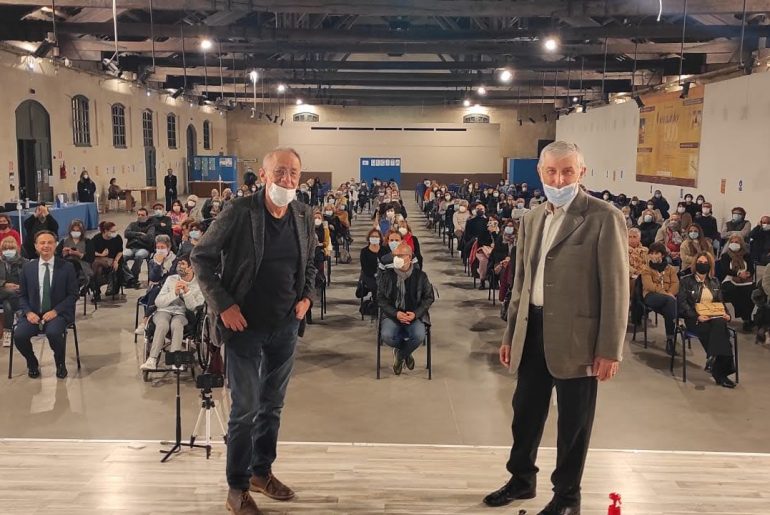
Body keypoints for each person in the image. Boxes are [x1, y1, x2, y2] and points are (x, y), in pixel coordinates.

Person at [487, 141, 628, 515]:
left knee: (573, 423)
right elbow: (521, 282)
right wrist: (511, 334)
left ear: (582, 172)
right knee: (525, 413)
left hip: (578, 339)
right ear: (540, 172)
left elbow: (616, 288)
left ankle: (567, 498)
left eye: (567, 171)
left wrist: (610, 349)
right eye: (551, 171)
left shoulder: (603, 217)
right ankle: (521, 479)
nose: (559, 180)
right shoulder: (532, 218)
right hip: (532, 330)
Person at [191, 147, 317, 515]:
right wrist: (224, 305)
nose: (287, 180)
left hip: (285, 326)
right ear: (263, 175)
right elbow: (201, 258)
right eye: (279, 172)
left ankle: (262, 472)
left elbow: (311, 263)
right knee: (245, 409)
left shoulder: (303, 214)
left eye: (293, 173)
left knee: (272, 405)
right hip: (244, 327)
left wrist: (307, 298)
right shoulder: (239, 211)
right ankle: (237, 487)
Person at [13, 230, 78, 379]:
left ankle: (60, 363)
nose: (46, 246)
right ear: (36, 246)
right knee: (19, 336)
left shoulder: (67, 267)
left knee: (54, 333)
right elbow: (22, 295)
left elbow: (73, 295)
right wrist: (28, 312)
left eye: (50, 242)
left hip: (58, 313)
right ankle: (32, 362)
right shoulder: (28, 268)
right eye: (42, 243)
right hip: (33, 313)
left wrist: (55, 311)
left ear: (55, 245)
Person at [678, 252, 737, 388]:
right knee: (721, 333)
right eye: (700, 262)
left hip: (714, 317)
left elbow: (720, 302)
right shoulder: (685, 281)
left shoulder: (715, 281)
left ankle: (713, 358)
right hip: (695, 319)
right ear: (695, 264)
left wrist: (727, 315)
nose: (702, 265)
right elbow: (682, 304)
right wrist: (696, 316)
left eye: (705, 263)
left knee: (720, 323)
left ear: (710, 265)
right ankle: (721, 372)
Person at [377, 242, 434, 375]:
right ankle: (406, 352)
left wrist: (415, 314)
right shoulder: (387, 276)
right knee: (386, 336)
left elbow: (428, 298)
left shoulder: (421, 276)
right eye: (395, 256)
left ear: (409, 257)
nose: (396, 258)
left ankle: (401, 354)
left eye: (400, 255)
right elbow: (380, 299)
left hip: (414, 315)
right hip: (392, 315)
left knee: (419, 336)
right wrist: (395, 313)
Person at [140, 254, 204, 371]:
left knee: (177, 324)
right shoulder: (171, 279)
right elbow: (158, 302)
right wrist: (174, 293)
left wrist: (187, 292)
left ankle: (176, 360)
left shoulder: (199, 283)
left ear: (191, 267)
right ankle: (152, 359)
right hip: (164, 311)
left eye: (183, 264)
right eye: (179, 264)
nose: (179, 266)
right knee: (162, 324)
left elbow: (194, 307)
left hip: (182, 314)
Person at [640, 242, 680, 355]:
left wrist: (670, 293)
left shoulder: (670, 269)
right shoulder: (646, 269)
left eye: (656, 253)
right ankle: (672, 336)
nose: (653, 256)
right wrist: (666, 294)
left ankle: (670, 340)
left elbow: (675, 283)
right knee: (671, 302)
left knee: (669, 307)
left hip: (668, 299)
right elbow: (649, 286)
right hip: (651, 296)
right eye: (651, 253)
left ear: (662, 255)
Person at [718, 236, 755, 331]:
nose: (734, 243)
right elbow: (725, 269)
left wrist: (748, 273)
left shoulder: (746, 255)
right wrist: (738, 273)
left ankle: (747, 319)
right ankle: (745, 317)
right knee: (733, 290)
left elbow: (751, 268)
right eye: (732, 241)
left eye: (737, 242)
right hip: (729, 279)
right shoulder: (725, 256)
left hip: (746, 280)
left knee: (751, 292)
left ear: (741, 244)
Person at [0, 236, 27, 347]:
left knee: (7, 306)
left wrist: (20, 286)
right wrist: (4, 284)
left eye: (11, 248)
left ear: (16, 249)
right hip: (2, 291)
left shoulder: (24, 262)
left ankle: (7, 334)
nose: (8, 251)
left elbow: (30, 279)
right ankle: (19, 312)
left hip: (17, 292)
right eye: (5, 249)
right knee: (10, 294)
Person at [55, 219, 94, 290]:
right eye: (74, 230)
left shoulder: (87, 242)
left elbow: (91, 258)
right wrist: (63, 254)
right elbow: (56, 256)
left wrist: (79, 254)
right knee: (70, 264)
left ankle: (73, 286)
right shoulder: (64, 241)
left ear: (82, 231)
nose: (75, 232)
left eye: (78, 231)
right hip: (66, 265)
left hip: (82, 266)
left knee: (73, 264)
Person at [91, 221, 124, 300]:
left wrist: (116, 261)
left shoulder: (117, 238)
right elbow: (90, 251)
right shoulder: (97, 238)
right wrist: (101, 254)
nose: (114, 233)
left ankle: (94, 288)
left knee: (95, 264)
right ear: (105, 231)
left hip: (112, 259)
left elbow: (120, 251)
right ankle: (96, 289)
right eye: (112, 231)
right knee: (98, 268)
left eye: (115, 231)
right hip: (99, 259)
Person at [123, 208, 155, 283]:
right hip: (131, 248)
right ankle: (129, 277)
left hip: (144, 248)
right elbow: (126, 234)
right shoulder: (132, 224)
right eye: (139, 215)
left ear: (147, 216)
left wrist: (134, 237)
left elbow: (149, 238)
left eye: (142, 215)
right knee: (121, 258)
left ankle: (134, 277)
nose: (140, 216)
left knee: (139, 256)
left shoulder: (151, 226)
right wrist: (139, 234)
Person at [360, 228, 388, 298]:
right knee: (376, 286)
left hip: (384, 274)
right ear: (369, 238)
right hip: (369, 275)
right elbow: (365, 267)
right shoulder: (364, 251)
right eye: (372, 236)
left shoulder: (385, 250)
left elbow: (388, 263)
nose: (374, 238)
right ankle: (376, 301)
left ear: (380, 238)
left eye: (376, 236)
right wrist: (375, 274)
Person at [627, 228, 648, 293]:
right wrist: (635, 271)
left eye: (634, 237)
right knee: (636, 281)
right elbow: (624, 265)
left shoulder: (645, 250)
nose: (631, 239)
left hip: (644, 274)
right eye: (629, 237)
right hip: (630, 275)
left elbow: (648, 264)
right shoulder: (623, 250)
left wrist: (644, 272)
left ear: (639, 238)